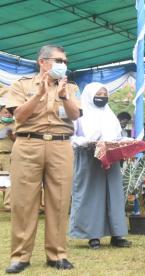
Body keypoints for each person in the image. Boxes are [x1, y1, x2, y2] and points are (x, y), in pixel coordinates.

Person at [5, 45, 81, 273]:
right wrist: (40, 94)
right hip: (28, 143)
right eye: (58, 60)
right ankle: (20, 256)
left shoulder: (71, 87)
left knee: (59, 202)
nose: (63, 65)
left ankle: (57, 255)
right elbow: (18, 115)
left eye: (65, 61)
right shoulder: (22, 84)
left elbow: (75, 115)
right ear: (42, 62)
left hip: (61, 144)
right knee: (23, 202)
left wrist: (64, 96)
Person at [69, 82, 131, 249]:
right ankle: (92, 236)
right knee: (91, 196)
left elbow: (117, 135)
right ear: (89, 95)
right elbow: (70, 137)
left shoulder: (109, 114)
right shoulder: (78, 114)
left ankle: (117, 234)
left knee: (114, 195)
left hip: (110, 159)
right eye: (99, 94)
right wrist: (86, 141)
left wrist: (124, 141)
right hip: (88, 158)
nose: (102, 97)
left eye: (105, 94)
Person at [0, 102, 15, 212]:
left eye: (10, 113)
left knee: (9, 180)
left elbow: (19, 140)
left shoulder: (16, 124)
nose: (8, 115)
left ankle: (8, 205)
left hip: (9, 155)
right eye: (5, 112)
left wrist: (11, 135)